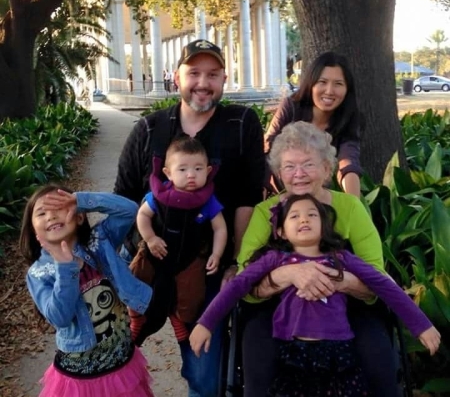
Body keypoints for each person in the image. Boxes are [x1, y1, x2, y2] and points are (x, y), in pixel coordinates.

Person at [114, 38, 265, 397]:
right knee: (114, 355)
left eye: (212, 74)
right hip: (148, 262)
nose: (203, 82)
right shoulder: (149, 129)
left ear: (224, 79)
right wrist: (115, 260)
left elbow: (248, 199)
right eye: (193, 72)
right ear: (177, 77)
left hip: (206, 267)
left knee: (206, 376)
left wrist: (235, 263)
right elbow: (121, 197)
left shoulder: (241, 123)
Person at [191, 193, 441, 396]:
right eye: (294, 216)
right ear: (280, 231)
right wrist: (206, 323)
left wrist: (421, 326)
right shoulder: (274, 259)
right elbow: (237, 286)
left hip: (339, 354)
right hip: (291, 354)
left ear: (325, 227)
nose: (304, 219)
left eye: (312, 215)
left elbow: (383, 284)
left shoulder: (341, 259)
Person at [237, 121, 403, 397]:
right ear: (279, 173)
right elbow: (245, 278)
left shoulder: (350, 208)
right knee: (258, 370)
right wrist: (288, 275)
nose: (298, 174)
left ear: (326, 169)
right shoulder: (266, 212)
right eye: (289, 166)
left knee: (378, 365)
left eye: (308, 165)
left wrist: (334, 279)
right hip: (278, 310)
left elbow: (375, 276)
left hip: (348, 308)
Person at [19, 184, 154, 397]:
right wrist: (65, 269)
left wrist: (81, 200)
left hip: (122, 365)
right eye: (42, 213)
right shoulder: (39, 273)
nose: (51, 216)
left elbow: (130, 210)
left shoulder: (99, 241)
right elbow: (60, 318)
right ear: (34, 230)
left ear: (79, 217)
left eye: (60, 208)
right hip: (81, 379)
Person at [130, 136, 227, 344]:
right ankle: (136, 316)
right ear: (168, 172)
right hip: (155, 250)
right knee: (135, 276)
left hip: (189, 257)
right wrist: (150, 238)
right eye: (182, 169)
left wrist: (216, 254)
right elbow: (142, 215)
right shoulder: (159, 195)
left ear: (208, 171)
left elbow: (219, 228)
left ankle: (178, 318)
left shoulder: (207, 200)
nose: (191, 175)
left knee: (191, 295)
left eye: (198, 169)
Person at [265, 51, 362, 196]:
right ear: (311, 84)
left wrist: (354, 205)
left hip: (320, 196)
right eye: (322, 82)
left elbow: (348, 162)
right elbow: (267, 149)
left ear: (347, 89)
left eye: (338, 84)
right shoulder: (291, 107)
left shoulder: (351, 118)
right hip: (280, 191)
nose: (329, 91)